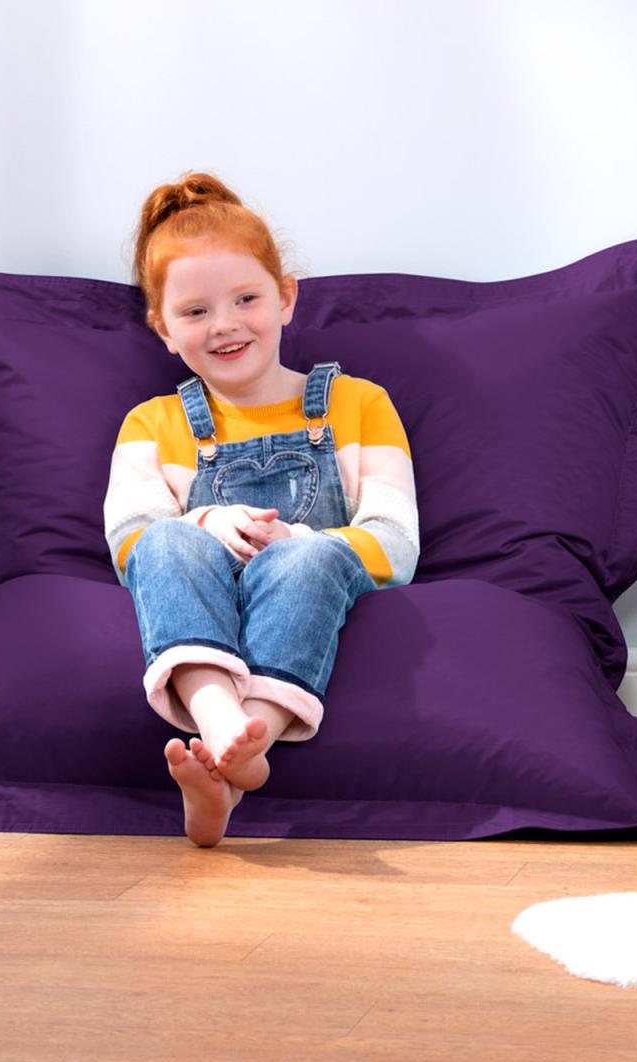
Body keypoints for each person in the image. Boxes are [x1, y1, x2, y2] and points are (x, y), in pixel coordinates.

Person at [103, 171, 420, 846]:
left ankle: (246, 751)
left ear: (285, 298)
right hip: (198, 585)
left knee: (311, 556)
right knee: (166, 541)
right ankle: (219, 720)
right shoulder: (151, 424)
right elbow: (130, 542)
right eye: (194, 312)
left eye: (245, 299)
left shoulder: (359, 404)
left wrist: (299, 540)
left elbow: (395, 543)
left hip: (309, 577)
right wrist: (205, 522)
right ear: (163, 329)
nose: (223, 325)